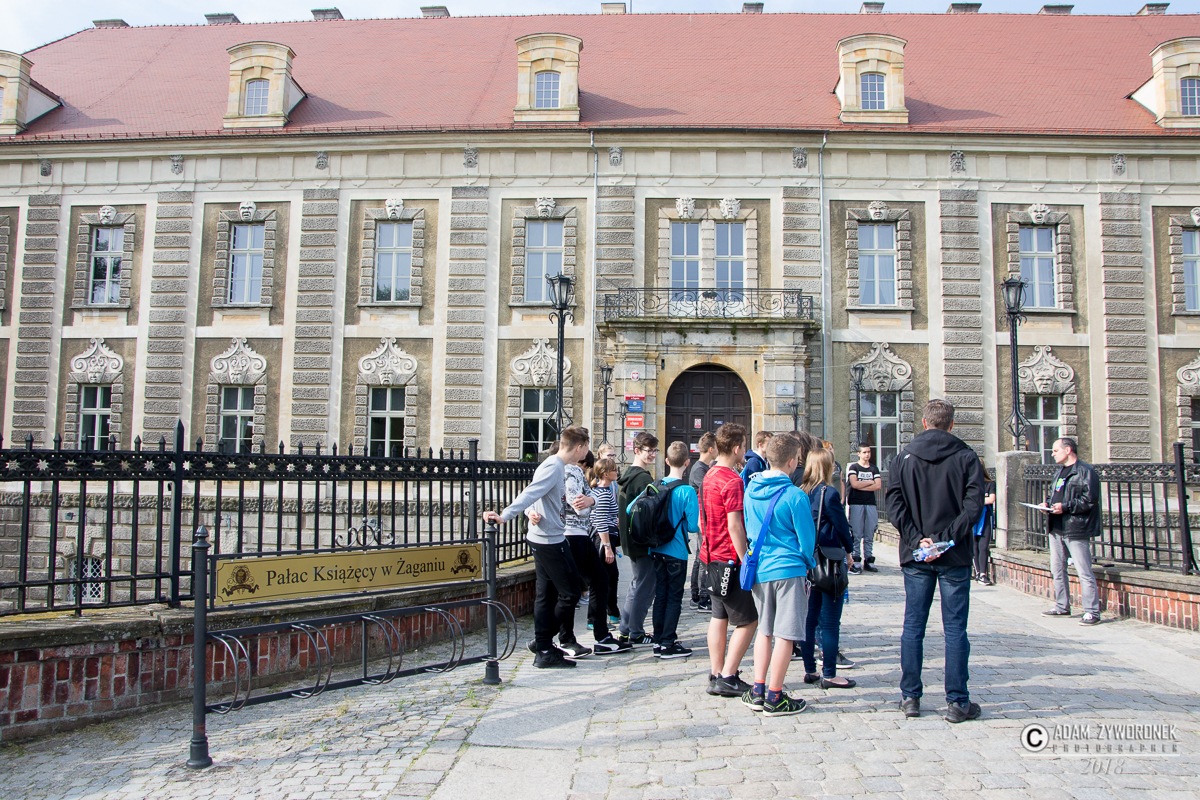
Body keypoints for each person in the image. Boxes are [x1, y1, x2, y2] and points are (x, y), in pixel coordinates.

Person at [885, 399, 985, 723]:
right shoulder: (967, 457)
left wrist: (918, 539)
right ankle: (957, 701)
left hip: (917, 554)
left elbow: (894, 505)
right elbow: (973, 507)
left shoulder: (904, 458)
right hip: (953, 554)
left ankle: (910, 697)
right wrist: (946, 539)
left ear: (925, 423)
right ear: (951, 424)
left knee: (914, 626)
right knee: (955, 629)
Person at [483, 425, 593, 669]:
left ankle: (544, 650)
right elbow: (530, 493)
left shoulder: (557, 465)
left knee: (547, 595)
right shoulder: (553, 467)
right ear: (579, 447)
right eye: (587, 447)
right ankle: (542, 643)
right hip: (549, 540)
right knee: (570, 593)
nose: (587, 452)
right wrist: (505, 515)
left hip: (546, 537)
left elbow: (541, 495)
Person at [740, 434, 817, 716]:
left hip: (761, 569)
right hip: (789, 569)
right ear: (792, 461)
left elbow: (749, 528)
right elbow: (807, 541)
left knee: (765, 630)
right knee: (786, 633)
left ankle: (758, 689)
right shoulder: (796, 496)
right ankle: (775, 695)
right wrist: (808, 562)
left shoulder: (751, 490)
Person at [701, 423, 758, 698]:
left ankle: (716, 673)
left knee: (718, 616)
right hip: (728, 559)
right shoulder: (733, 480)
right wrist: (745, 558)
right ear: (736, 449)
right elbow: (735, 525)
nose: (745, 451)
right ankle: (729, 675)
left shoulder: (709, 474)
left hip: (710, 556)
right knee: (748, 620)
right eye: (744, 446)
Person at [799, 448, 856, 689]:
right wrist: (850, 552)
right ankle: (830, 673)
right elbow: (842, 528)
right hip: (829, 562)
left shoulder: (802, 492)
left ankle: (810, 669)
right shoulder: (828, 493)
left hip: (808, 561)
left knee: (810, 618)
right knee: (831, 620)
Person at [561, 449, 628, 654]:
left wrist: (592, 501)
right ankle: (556, 639)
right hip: (572, 536)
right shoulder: (568, 471)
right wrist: (607, 546)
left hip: (581, 535)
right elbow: (585, 510)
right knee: (569, 592)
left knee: (600, 580)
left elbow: (591, 500)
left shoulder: (581, 477)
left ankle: (601, 635)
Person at [646, 441, 701, 658]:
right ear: (687, 463)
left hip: (657, 549)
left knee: (660, 594)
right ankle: (668, 642)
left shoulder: (655, 485)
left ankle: (658, 640)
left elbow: (632, 508)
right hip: (677, 550)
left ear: (667, 461)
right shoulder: (687, 491)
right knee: (674, 597)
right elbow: (693, 526)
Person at [1041, 437, 1102, 625]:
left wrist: (1065, 507)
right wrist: (1047, 504)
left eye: (1055, 450)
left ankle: (1092, 611)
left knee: (1084, 570)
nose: (1052, 454)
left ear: (1068, 450)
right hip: (1056, 526)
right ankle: (1062, 606)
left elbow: (1089, 500)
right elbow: (1056, 495)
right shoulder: (1059, 472)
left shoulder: (1085, 471)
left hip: (1075, 528)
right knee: (1057, 569)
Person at [616, 431, 659, 647]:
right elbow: (650, 512)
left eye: (654, 451)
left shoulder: (627, 475)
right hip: (642, 540)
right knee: (645, 586)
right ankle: (635, 632)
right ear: (636, 451)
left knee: (637, 583)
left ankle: (626, 630)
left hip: (630, 538)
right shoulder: (642, 479)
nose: (652, 455)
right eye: (648, 451)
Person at [591, 455, 623, 626]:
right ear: (605, 474)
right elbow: (600, 521)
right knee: (602, 580)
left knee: (611, 576)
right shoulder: (603, 493)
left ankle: (612, 612)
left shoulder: (601, 491)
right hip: (604, 539)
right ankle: (596, 618)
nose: (617, 472)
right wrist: (608, 547)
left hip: (606, 538)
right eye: (614, 470)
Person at [688, 431, 717, 612]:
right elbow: (708, 493)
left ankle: (696, 595)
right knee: (702, 558)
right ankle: (702, 597)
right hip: (702, 519)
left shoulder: (704, 468)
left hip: (703, 518)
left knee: (700, 557)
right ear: (711, 449)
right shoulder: (700, 469)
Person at [846, 444, 882, 574]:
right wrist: (870, 482)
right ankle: (856, 559)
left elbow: (878, 486)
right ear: (859, 454)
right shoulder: (854, 467)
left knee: (869, 532)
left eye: (869, 452)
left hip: (870, 503)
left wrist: (863, 486)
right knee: (856, 533)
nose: (867, 454)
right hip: (856, 503)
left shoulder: (874, 468)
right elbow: (854, 484)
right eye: (865, 452)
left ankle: (869, 558)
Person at [975, 457, 996, 586]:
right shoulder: (968, 484)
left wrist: (975, 502)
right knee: (974, 546)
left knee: (983, 546)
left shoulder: (989, 484)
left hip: (985, 517)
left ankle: (983, 573)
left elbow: (991, 499)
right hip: (972, 517)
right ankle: (977, 572)